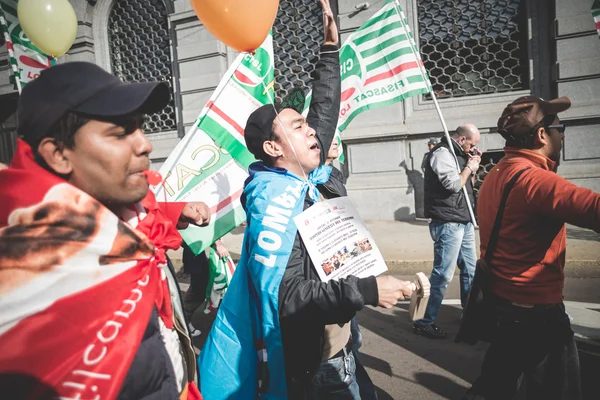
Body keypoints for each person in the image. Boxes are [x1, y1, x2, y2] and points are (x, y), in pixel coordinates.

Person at [199, 1, 413, 398]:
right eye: (299, 126)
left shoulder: (305, 178)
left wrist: (330, 51)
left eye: (308, 124)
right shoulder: (276, 204)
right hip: (317, 362)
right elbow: (287, 295)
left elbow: (326, 113)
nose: (313, 131)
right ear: (273, 148)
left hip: (343, 339)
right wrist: (366, 292)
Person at [0, 62, 210, 399]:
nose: (145, 145)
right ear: (58, 154)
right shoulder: (26, 279)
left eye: (140, 128)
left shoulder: (126, 216)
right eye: (119, 132)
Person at [463, 96, 600, 400]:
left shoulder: (498, 172)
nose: (562, 135)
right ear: (541, 135)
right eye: (559, 127)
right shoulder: (536, 181)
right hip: (538, 315)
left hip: (505, 303)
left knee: (495, 383)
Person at [414, 124, 481, 339]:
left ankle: (470, 315)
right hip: (448, 222)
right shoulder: (442, 154)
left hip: (463, 219)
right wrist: (469, 167)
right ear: (462, 139)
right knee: (443, 274)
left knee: (471, 271)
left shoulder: (459, 154)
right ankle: (424, 321)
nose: (473, 148)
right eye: (472, 144)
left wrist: (472, 166)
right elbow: (453, 185)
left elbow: (466, 186)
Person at [182, 239, 229, 337]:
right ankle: (183, 322)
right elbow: (196, 226)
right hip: (194, 250)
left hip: (196, 250)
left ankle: (183, 320)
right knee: (198, 290)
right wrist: (218, 243)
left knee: (202, 286)